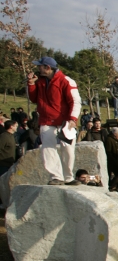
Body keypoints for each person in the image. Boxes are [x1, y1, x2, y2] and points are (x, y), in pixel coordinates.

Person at [27, 56, 82, 185]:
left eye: (40, 66)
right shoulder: (40, 81)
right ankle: (56, 176)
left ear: (48, 67)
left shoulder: (66, 81)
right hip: (46, 120)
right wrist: (31, 84)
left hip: (65, 121)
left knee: (68, 149)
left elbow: (75, 101)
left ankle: (68, 177)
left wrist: (73, 118)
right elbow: (34, 99)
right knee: (48, 149)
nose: (38, 68)